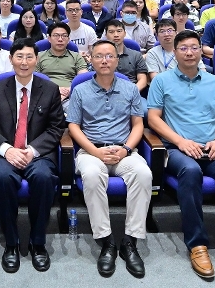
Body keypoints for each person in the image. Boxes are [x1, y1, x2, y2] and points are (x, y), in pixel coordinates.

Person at [146, 30, 215, 279]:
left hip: (210, 147)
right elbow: (153, 118)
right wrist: (181, 142)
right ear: (175, 52)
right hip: (177, 149)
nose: (189, 53)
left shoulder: (214, 82)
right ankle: (197, 243)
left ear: (201, 51)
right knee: (190, 171)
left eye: (194, 47)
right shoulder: (161, 81)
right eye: (183, 48)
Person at [0, 39, 67, 273]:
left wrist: (31, 151)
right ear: (11, 59)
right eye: (19, 57)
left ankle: (38, 242)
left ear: (37, 60)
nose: (24, 62)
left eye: (29, 57)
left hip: (37, 153)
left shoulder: (49, 89)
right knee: (2, 178)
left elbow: (56, 128)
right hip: (4, 153)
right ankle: (11, 242)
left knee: (43, 178)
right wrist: (7, 150)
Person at [67, 39, 149, 278]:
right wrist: (95, 152)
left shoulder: (130, 89)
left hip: (123, 151)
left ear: (117, 60)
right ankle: (106, 241)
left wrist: (126, 149)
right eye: (99, 56)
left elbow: (137, 124)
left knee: (143, 174)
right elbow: (73, 126)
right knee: (92, 175)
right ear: (91, 60)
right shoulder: (80, 90)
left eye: (110, 56)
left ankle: (130, 241)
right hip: (91, 151)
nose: (104, 60)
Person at [36, 22, 88, 101]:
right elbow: (34, 79)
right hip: (44, 94)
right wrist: (55, 90)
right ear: (49, 38)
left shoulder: (76, 57)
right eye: (56, 35)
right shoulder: (38, 57)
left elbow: (83, 78)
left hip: (71, 95)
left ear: (68, 40)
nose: (60, 39)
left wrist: (70, 90)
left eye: (64, 36)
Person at [101, 19, 151, 91]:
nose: (116, 35)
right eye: (111, 32)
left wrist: (130, 93)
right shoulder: (100, 57)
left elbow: (142, 81)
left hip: (131, 90)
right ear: (106, 35)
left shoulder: (136, 55)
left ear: (124, 33)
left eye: (119, 31)